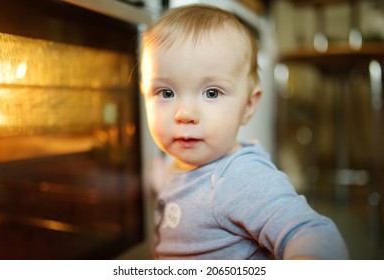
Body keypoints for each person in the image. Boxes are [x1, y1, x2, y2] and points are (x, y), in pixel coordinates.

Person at [140, 4, 349, 260]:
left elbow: (313, 235)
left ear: (248, 105)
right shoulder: (178, 158)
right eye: (167, 93)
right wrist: (160, 179)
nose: (184, 114)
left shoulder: (242, 178)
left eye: (211, 92)